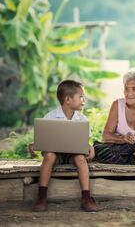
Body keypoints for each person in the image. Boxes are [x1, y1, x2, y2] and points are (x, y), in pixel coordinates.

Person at [28, 80, 97, 212]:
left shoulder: (82, 120)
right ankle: (41, 197)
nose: (84, 100)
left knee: (80, 159)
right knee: (49, 155)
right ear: (67, 99)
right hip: (56, 153)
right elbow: (43, 139)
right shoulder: (50, 117)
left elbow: (85, 142)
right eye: (81, 96)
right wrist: (33, 145)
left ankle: (86, 197)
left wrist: (90, 148)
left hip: (74, 153)